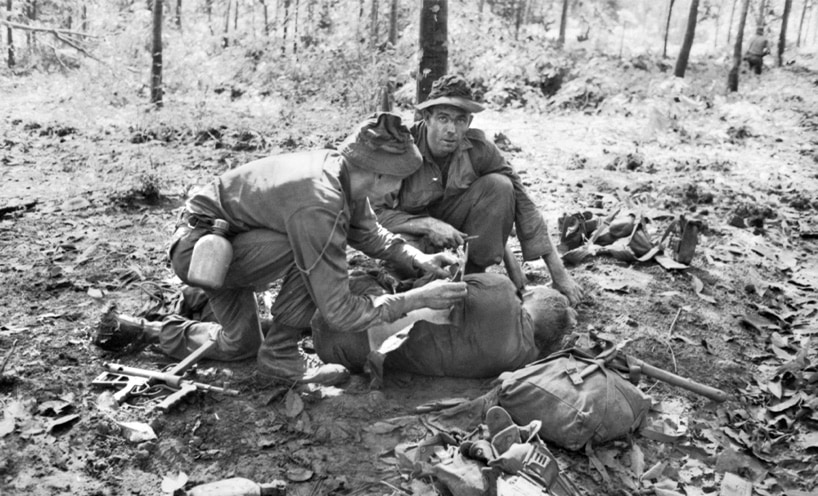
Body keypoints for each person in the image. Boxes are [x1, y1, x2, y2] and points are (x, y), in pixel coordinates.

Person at [94, 112, 468, 386]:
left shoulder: (343, 173)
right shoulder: (319, 203)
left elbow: (371, 235)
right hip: (203, 252)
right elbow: (339, 312)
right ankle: (283, 355)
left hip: (225, 247)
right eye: (397, 182)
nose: (394, 193)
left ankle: (144, 330)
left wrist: (420, 259)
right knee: (314, 253)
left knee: (239, 343)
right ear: (380, 174)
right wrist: (419, 299)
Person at [372, 74, 583, 306]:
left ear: (469, 123)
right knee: (407, 268)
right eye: (443, 118)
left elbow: (524, 203)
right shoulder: (403, 149)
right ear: (427, 117)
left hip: (459, 236)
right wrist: (427, 225)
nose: (451, 129)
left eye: (460, 120)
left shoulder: (479, 148)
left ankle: (473, 273)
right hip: (411, 236)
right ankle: (427, 285)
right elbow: (375, 217)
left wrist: (558, 273)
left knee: (501, 185)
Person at [311, 272, 576, 379]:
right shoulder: (520, 361)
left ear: (529, 297)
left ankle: (289, 324)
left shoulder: (501, 289)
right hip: (348, 356)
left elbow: (443, 284)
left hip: (343, 320)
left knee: (378, 281)